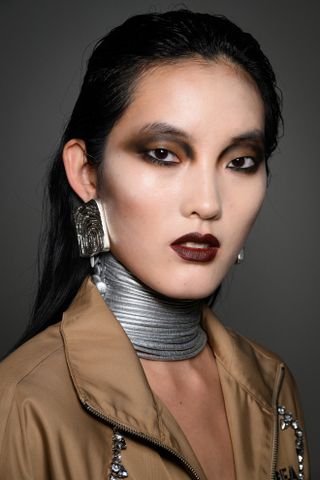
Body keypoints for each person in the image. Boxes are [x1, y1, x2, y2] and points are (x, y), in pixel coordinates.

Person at [0, 9, 309, 480]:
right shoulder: (20, 405)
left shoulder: (273, 383)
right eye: (164, 154)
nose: (208, 204)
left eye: (241, 161)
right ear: (86, 173)